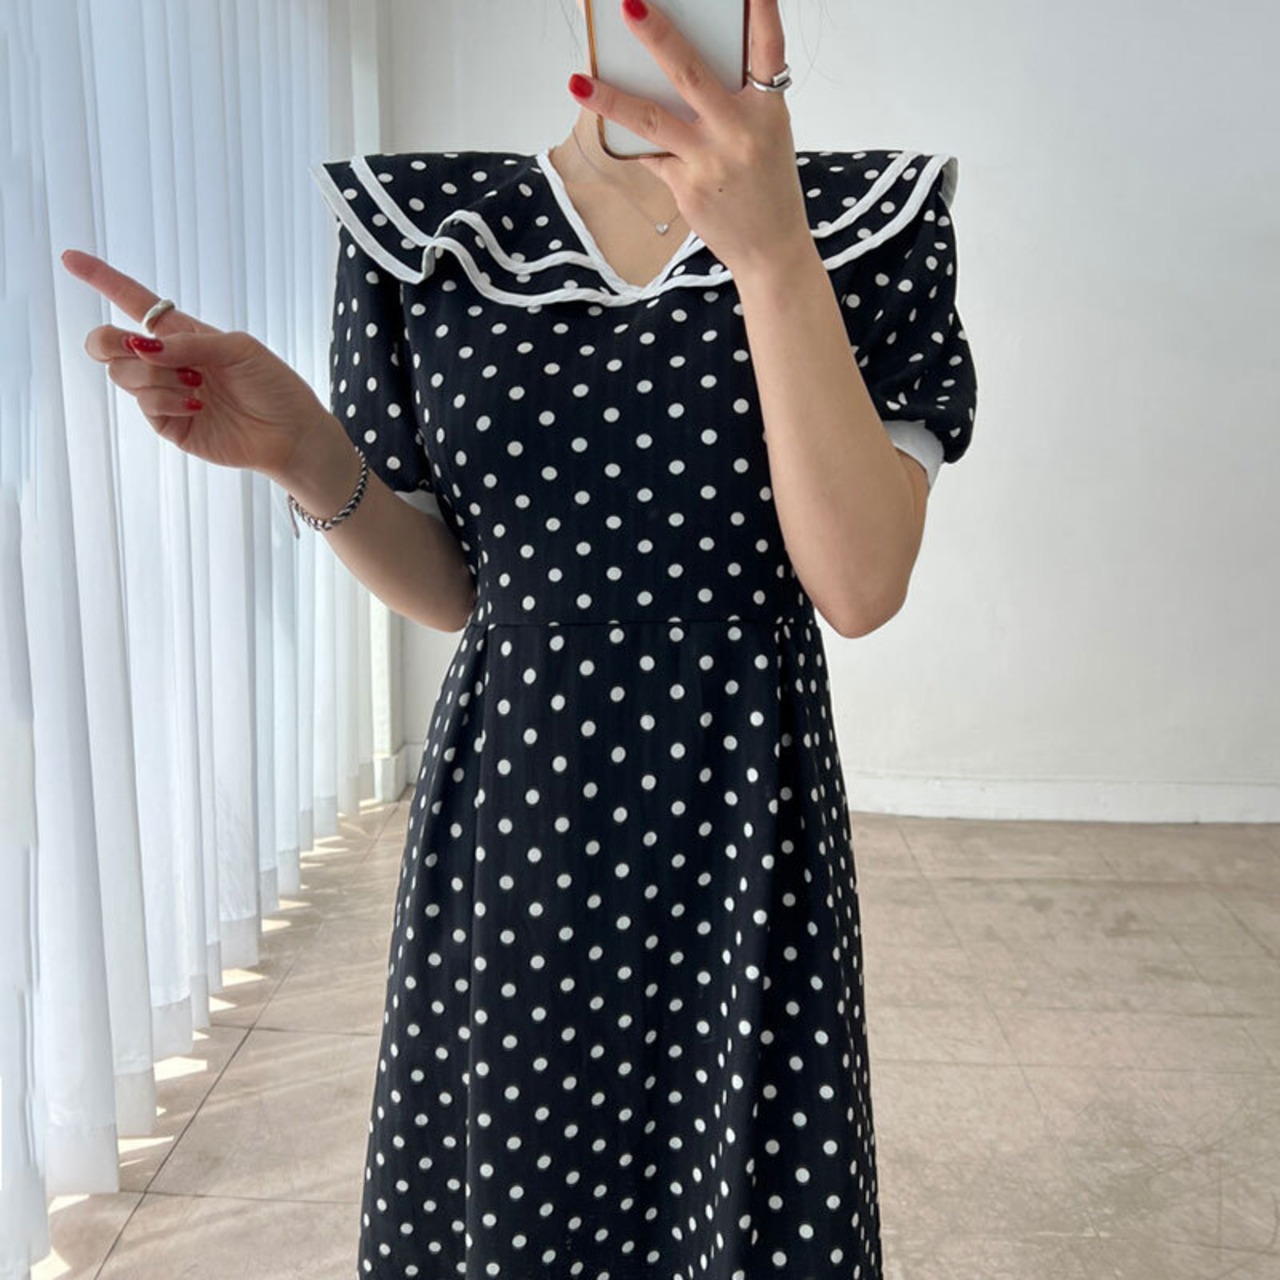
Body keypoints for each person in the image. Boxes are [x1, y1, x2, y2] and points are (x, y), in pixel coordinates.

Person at [63, 0, 977, 1274]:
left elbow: (860, 583)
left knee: (740, 1205)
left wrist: (774, 253)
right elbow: (455, 589)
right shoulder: (426, 231)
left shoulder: (871, 222)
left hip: (740, 826)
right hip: (513, 820)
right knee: (508, 1204)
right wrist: (305, 452)